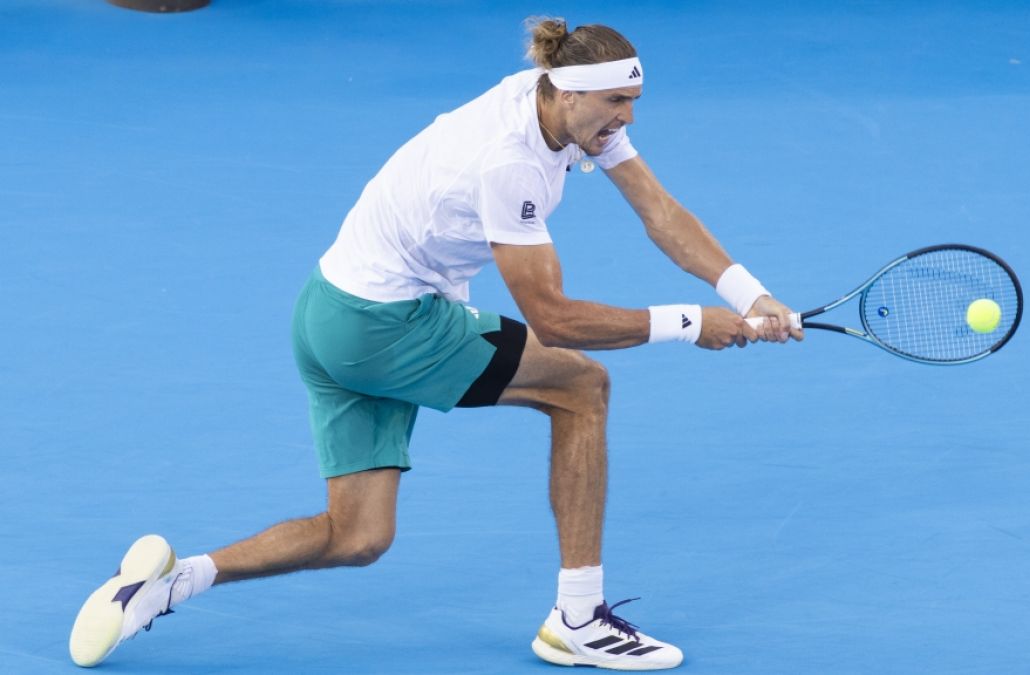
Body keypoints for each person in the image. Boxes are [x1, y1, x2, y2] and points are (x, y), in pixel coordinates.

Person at [69, 17, 803, 671]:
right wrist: (689, 322)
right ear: (569, 92)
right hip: (386, 325)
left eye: (633, 100)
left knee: (357, 536)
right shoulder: (510, 161)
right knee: (581, 387)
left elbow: (659, 209)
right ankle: (578, 620)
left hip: (328, 312)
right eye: (618, 101)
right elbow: (554, 319)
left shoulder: (561, 106)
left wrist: (749, 295)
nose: (629, 116)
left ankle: (169, 582)